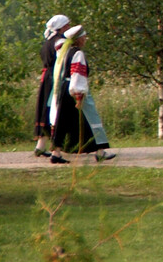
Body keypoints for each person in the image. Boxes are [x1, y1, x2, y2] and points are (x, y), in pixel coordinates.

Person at [47, 25, 115, 163]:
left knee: (63, 121)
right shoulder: (78, 53)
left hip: (64, 87)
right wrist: (79, 94)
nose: (85, 39)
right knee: (91, 118)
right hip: (74, 88)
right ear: (79, 39)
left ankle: (56, 152)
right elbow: (77, 74)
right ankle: (100, 151)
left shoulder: (65, 52)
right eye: (84, 37)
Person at [32, 14, 71, 157]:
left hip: (46, 77)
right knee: (53, 108)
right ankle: (53, 146)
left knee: (45, 108)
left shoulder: (48, 41)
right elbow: (63, 61)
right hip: (55, 77)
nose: (69, 28)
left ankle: (41, 145)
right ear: (62, 27)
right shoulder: (59, 41)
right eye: (67, 25)